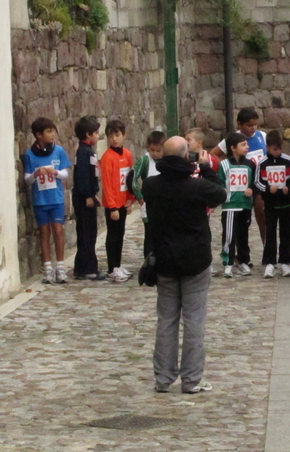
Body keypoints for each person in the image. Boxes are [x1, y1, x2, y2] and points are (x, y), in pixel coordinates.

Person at [143, 136, 227, 394]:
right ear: (185, 157)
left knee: (166, 320)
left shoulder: (151, 185)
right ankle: (192, 379)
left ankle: (163, 377)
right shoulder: (198, 186)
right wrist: (207, 169)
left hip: (165, 260)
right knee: (194, 321)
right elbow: (220, 194)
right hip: (195, 260)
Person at [23, 117, 72, 284]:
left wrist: (55, 173)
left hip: (56, 199)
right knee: (44, 233)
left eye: (53, 131)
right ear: (38, 135)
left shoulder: (58, 151)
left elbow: (66, 174)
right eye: (49, 132)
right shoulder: (30, 155)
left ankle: (60, 267)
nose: (52, 135)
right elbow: (27, 179)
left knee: (58, 231)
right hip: (40, 201)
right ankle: (48, 269)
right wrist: (37, 174)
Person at [210, 108, 268, 245]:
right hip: (239, 185)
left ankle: (266, 246)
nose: (253, 128)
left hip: (258, 182)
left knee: (262, 214)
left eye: (255, 124)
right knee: (239, 218)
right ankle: (236, 250)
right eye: (249, 125)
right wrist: (227, 167)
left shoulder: (262, 136)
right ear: (239, 124)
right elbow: (213, 154)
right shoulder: (232, 139)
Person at [254, 130, 290, 278]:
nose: (278, 152)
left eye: (279, 148)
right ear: (267, 147)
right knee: (270, 232)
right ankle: (269, 262)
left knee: (287, 232)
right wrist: (267, 188)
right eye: (274, 149)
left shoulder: (287, 160)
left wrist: (289, 188)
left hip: (286, 203)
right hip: (270, 204)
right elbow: (257, 182)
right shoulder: (262, 163)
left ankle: (285, 262)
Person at [99, 119, 135, 282]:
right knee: (112, 235)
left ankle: (118, 264)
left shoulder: (127, 154)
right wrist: (112, 207)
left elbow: (129, 178)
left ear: (123, 135)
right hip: (113, 204)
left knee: (120, 234)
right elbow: (107, 183)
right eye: (111, 136)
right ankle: (112, 267)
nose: (114, 139)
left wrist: (130, 198)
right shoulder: (107, 157)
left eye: (117, 135)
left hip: (123, 201)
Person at [217, 133, 256, 277]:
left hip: (245, 205)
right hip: (230, 205)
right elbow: (219, 182)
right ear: (233, 148)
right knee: (229, 235)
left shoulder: (250, 164)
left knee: (243, 234)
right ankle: (228, 262)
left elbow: (254, 181)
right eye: (243, 145)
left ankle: (244, 261)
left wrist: (251, 189)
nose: (247, 147)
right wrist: (223, 192)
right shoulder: (224, 165)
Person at [72, 115, 104, 281]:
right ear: (88, 134)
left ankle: (84, 266)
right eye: (96, 133)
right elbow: (83, 176)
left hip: (88, 194)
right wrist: (88, 195)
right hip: (84, 198)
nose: (98, 136)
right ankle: (87, 267)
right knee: (87, 233)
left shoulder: (86, 151)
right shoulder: (84, 152)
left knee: (89, 232)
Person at [131, 130, 166, 261]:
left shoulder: (167, 160)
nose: (155, 154)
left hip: (164, 203)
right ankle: (149, 263)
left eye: (158, 151)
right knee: (150, 234)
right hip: (149, 203)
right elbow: (133, 177)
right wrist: (139, 197)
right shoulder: (145, 160)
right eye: (152, 150)